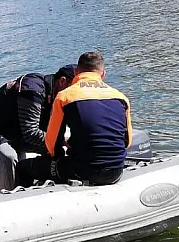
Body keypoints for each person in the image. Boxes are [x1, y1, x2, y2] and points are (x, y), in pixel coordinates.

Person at [0, 65, 77, 190]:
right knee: (10, 157)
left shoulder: (57, 95)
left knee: (55, 151)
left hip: (15, 130)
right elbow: (31, 133)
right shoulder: (33, 90)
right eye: (73, 87)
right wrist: (61, 141)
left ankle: (46, 185)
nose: (74, 93)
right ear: (62, 81)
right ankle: (13, 193)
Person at [42, 51, 133, 186]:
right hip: (116, 171)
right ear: (103, 74)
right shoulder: (121, 97)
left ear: (76, 72)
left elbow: (52, 145)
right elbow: (127, 141)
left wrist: (58, 158)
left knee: (26, 167)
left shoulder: (64, 97)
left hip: (82, 170)